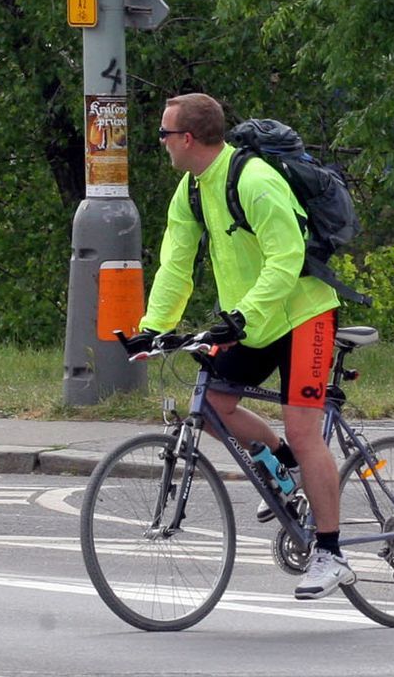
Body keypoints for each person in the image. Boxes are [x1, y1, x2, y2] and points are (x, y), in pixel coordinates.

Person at [122, 92, 351, 600]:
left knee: (303, 427)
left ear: (186, 138)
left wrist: (243, 315)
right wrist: (153, 327)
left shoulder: (255, 181)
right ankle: (285, 467)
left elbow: (287, 256)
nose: (159, 142)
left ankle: (332, 553)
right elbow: (175, 265)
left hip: (303, 314)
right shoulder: (191, 191)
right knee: (215, 408)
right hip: (252, 320)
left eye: (163, 134)